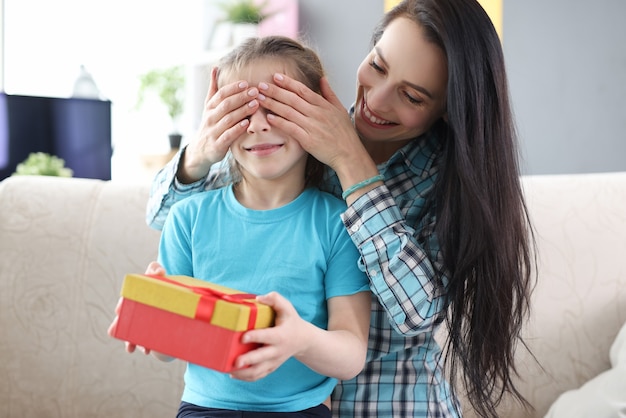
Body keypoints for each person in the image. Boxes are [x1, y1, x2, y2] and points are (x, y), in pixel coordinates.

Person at [145, 0, 535, 417]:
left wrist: (351, 162)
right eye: (378, 66)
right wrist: (201, 152)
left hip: (395, 406)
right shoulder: (288, 136)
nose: (377, 101)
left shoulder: (448, 185)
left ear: (448, 110)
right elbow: (170, 219)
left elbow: (416, 315)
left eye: (411, 96)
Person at [112, 36, 371, 418]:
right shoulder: (188, 218)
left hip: (300, 410)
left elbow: (350, 354)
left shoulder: (337, 223)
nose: (258, 126)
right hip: (205, 408)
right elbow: (168, 352)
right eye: (241, 110)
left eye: (277, 107)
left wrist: (299, 339)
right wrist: (150, 321)